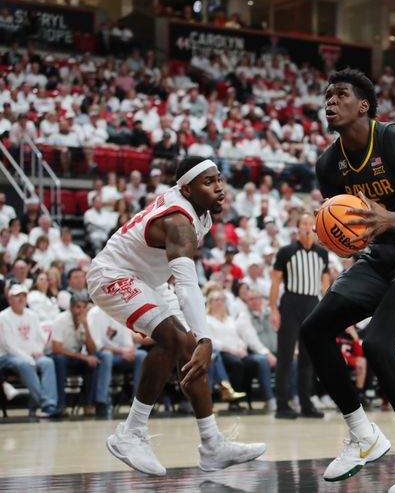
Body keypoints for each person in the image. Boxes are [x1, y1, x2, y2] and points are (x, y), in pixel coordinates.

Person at [299, 69, 395, 492]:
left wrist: (389, 219)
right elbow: (347, 231)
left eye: (340, 95)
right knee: (314, 329)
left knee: (377, 344)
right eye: (327, 95)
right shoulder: (328, 165)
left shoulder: (394, 141)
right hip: (380, 254)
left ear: (364, 105)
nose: (330, 102)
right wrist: (344, 238)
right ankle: (363, 435)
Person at [87, 156, 265, 476]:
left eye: (219, 179)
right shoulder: (179, 222)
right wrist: (206, 338)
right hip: (112, 276)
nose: (219, 187)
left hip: (149, 280)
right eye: (208, 182)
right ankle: (130, 434)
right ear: (185, 188)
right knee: (174, 340)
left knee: (187, 348)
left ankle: (212, 444)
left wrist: (197, 338)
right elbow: (187, 285)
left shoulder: (201, 210)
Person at [270, 213, 329, 419]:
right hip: (290, 303)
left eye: (310, 224)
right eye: (303, 223)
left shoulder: (322, 253)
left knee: (308, 358)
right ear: (297, 228)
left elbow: (325, 281)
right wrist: (274, 309)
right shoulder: (286, 252)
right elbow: (275, 282)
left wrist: (324, 303)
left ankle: (306, 403)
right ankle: (282, 405)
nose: (307, 227)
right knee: (285, 357)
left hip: (312, 304)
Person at [0, 284, 59, 417]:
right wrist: (29, 358)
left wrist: (38, 351)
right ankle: (45, 404)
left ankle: (47, 404)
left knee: (48, 362)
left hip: (32, 354)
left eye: (23, 296)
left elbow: (40, 338)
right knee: (24, 364)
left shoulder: (32, 315)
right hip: (7, 357)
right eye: (17, 296)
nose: (21, 299)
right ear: (10, 300)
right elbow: (8, 346)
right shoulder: (3, 317)